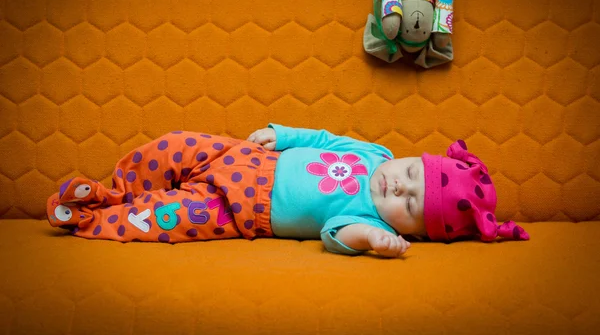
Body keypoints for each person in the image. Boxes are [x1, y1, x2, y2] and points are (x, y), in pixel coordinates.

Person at [46, 124, 529, 258]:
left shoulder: (370, 220)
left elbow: (332, 235)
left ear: (416, 234)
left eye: (411, 204)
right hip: (244, 157)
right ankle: (117, 189)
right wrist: (286, 135)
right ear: (410, 158)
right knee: (174, 145)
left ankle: (91, 215)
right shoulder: (376, 155)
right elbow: (325, 140)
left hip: (237, 212)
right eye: (412, 175)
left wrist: (371, 241)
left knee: (165, 219)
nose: (399, 185)